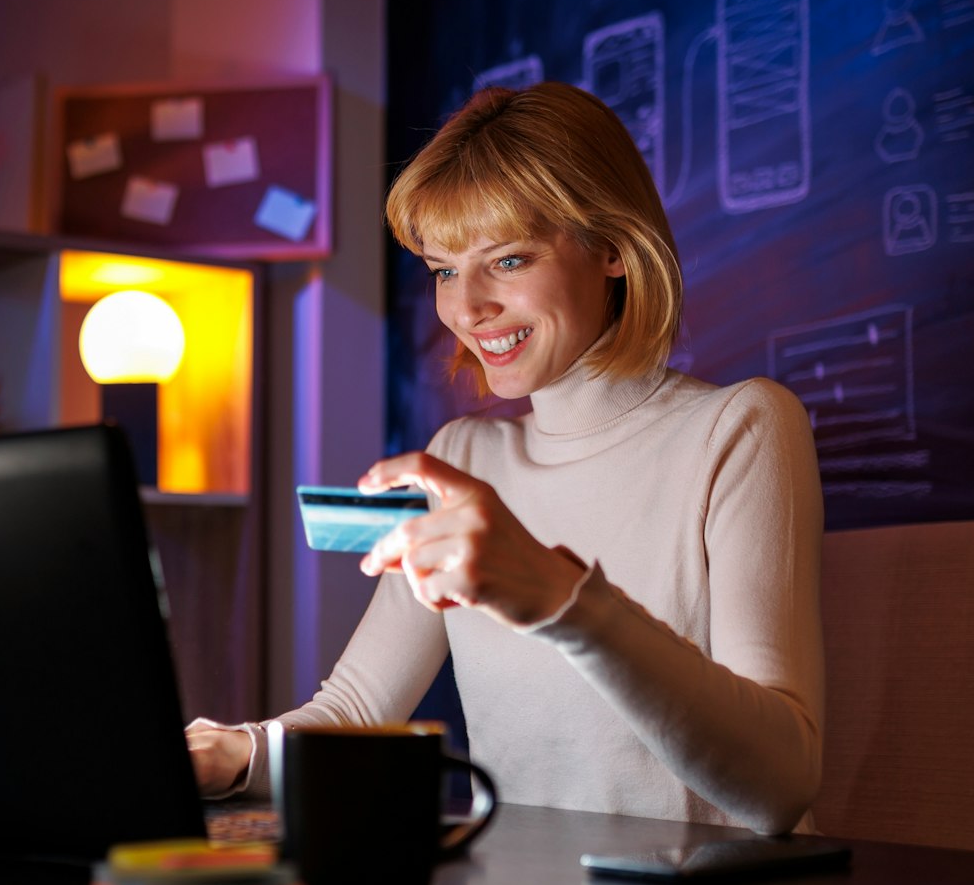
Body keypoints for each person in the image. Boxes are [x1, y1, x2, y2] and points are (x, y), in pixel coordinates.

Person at [186, 81, 825, 835]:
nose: (467, 308)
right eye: (444, 270)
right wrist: (235, 752)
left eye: (510, 260)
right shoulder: (460, 458)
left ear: (615, 248)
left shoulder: (740, 427)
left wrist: (562, 598)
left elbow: (782, 786)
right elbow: (358, 710)